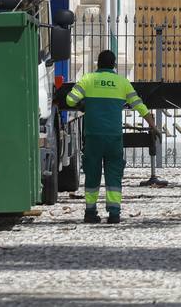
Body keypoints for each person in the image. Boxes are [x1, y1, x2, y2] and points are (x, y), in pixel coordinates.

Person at [64, 49, 158, 224]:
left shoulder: (88, 79)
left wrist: (83, 104)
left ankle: (90, 212)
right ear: (114, 65)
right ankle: (114, 213)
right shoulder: (122, 83)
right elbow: (139, 105)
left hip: (93, 136)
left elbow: (70, 100)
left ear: (97, 64)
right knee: (114, 174)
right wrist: (153, 125)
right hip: (114, 137)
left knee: (92, 173)